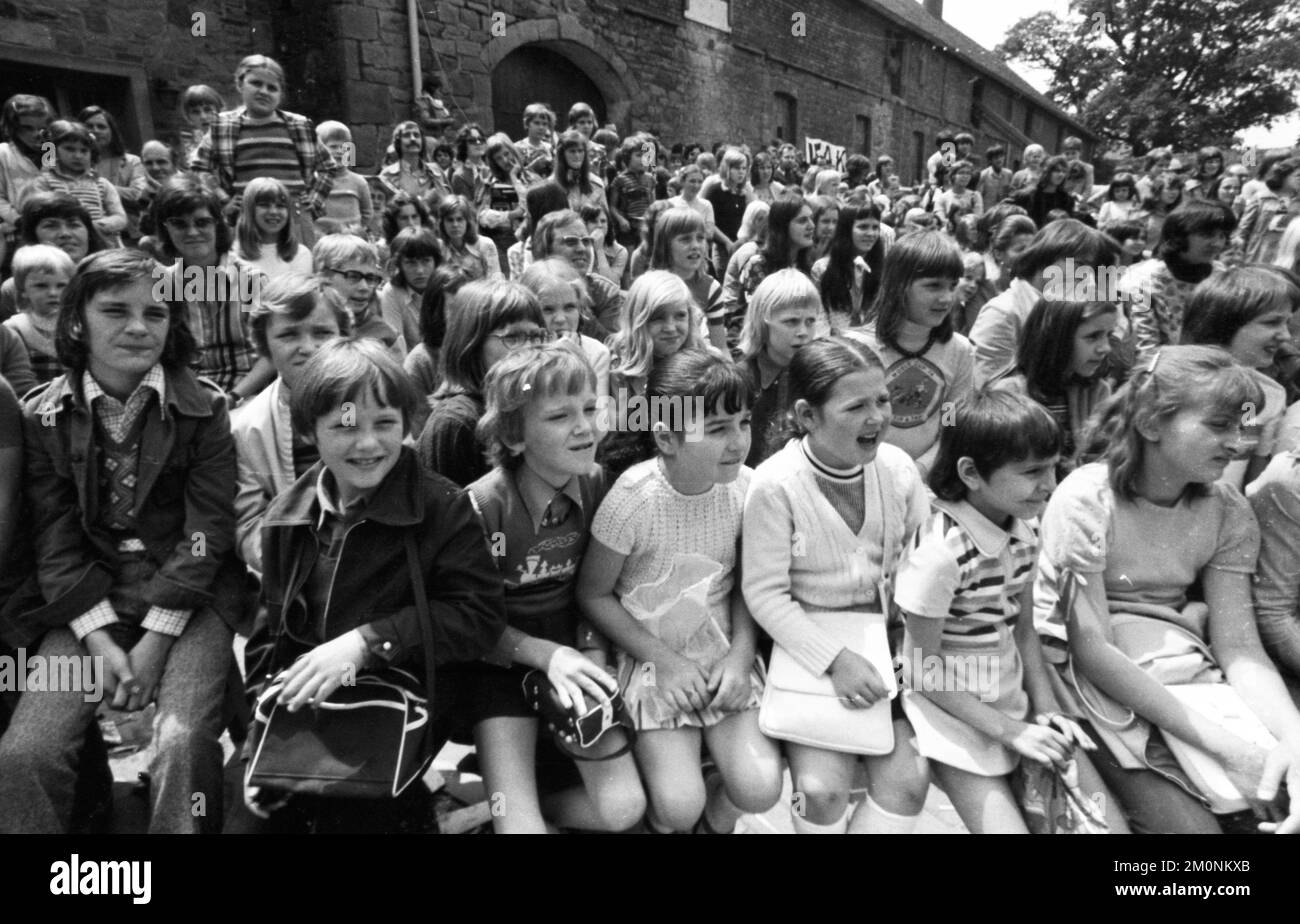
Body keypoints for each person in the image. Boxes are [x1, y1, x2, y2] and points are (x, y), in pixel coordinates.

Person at [0, 249, 247, 833]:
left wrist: (153, 643)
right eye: (116, 311)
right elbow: (56, 542)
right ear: (78, 321)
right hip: (90, 602)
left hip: (190, 600)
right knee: (24, 754)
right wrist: (104, 645)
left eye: (156, 314)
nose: (138, 327)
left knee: (181, 747)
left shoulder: (205, 409)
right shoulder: (45, 417)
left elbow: (205, 534)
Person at [238, 337, 506, 833]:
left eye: (385, 424)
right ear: (309, 432)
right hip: (311, 714)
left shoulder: (441, 508)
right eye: (344, 426)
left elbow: (479, 618)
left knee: (359, 818)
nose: (367, 444)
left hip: (400, 709)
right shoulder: (285, 520)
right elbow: (267, 641)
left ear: (406, 426)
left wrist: (366, 643)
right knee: (249, 820)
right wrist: (263, 731)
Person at [1034, 346, 1300, 834]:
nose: (1238, 443)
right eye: (1219, 425)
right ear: (1152, 424)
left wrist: (1292, 739)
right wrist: (1231, 748)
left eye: (1243, 426)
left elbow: (1239, 645)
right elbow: (1092, 650)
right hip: (1094, 688)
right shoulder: (1087, 500)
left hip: (1187, 677)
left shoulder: (1227, 510)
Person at [896, 389, 1126, 833]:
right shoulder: (941, 554)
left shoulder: (1025, 530)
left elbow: (1023, 632)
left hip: (1010, 699)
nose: (1050, 484)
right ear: (970, 473)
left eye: (1054, 467)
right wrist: (1010, 731)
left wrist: (1043, 707)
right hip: (952, 716)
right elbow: (920, 668)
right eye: (1032, 472)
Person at [579, 350, 782, 833]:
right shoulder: (633, 499)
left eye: (743, 421)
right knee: (676, 808)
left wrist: (740, 655)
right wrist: (662, 661)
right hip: (651, 656)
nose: (738, 441)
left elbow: (745, 582)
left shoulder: (747, 489)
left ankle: (716, 807)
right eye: (717, 428)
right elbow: (593, 595)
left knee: (761, 788)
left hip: (722, 652)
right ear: (667, 437)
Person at [743, 337, 932, 833]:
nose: (878, 418)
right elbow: (764, 593)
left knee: (910, 782)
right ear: (807, 416)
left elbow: (921, 560)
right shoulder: (775, 484)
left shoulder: (898, 470)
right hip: (811, 652)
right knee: (818, 793)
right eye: (856, 406)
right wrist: (835, 661)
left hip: (886, 654)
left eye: (883, 400)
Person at [465, 343, 646, 833]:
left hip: (576, 653)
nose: (585, 426)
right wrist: (542, 654)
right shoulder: (482, 508)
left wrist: (592, 650)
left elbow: (599, 587)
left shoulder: (596, 484)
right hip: (499, 665)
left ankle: (529, 804)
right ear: (513, 435)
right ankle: (506, 807)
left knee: (625, 810)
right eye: (560, 416)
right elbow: (467, 621)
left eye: (590, 408)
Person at [229, 273, 352, 575]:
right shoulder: (246, 427)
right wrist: (305, 566)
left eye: (322, 333)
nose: (307, 347)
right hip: (292, 569)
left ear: (344, 336)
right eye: (288, 335)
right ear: (265, 345)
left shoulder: (371, 405)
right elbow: (248, 524)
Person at [845, 232, 974, 479]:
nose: (946, 298)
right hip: (861, 476)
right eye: (933, 285)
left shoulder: (959, 351)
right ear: (899, 285)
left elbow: (950, 422)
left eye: (952, 285)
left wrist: (921, 470)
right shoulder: (856, 348)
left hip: (927, 479)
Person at [189, 55, 335, 247]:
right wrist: (224, 200)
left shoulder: (299, 126)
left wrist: (314, 200)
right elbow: (199, 168)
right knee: (250, 271)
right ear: (240, 84)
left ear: (280, 93)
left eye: (272, 88)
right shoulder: (222, 126)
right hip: (247, 215)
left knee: (298, 269)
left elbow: (328, 167)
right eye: (256, 83)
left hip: (294, 216)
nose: (264, 91)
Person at [151, 177, 276, 401]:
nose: (192, 232)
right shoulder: (164, 283)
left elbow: (271, 354)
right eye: (180, 224)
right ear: (166, 228)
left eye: (202, 222)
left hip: (246, 395)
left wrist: (232, 397)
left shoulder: (251, 280)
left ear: (217, 225)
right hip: (187, 397)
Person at [417, 279, 548, 487]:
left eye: (536, 336)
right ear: (472, 344)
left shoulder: (528, 403)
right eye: (513, 337)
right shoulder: (456, 423)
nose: (530, 348)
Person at [1181, 266, 1299, 488]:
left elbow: (1251, 472)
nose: (1284, 335)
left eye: (1286, 323)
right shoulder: (1174, 380)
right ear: (1226, 320)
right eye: (1272, 322)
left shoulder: (1269, 395)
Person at [970, 219, 1120, 386]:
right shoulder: (1004, 312)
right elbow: (984, 389)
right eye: (1079, 265)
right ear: (1046, 255)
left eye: (1092, 270)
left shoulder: (1078, 309)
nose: (1087, 277)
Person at [991, 298, 1116, 479]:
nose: (1105, 347)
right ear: (1056, 337)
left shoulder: (1097, 392)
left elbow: (1101, 458)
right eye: (1093, 336)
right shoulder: (1010, 393)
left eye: (1109, 336)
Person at [1123, 199, 1235, 365]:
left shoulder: (1222, 277)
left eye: (1222, 236)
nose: (1217, 243)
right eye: (1207, 235)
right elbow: (1146, 347)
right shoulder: (1142, 280)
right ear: (1179, 235)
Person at [738, 268, 820, 467]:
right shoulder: (738, 377)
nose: (803, 332)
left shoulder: (819, 378)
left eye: (810, 322)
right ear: (762, 322)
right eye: (791, 321)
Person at [729, 196, 815, 355]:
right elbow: (754, 321)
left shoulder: (807, 268)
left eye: (811, 219)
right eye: (802, 221)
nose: (811, 226)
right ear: (782, 226)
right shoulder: (758, 265)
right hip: (758, 348)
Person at [24, 120, 128, 248]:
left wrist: (95, 226)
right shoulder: (44, 182)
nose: (78, 156)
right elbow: (39, 218)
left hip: (100, 242)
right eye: (70, 149)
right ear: (54, 150)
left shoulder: (101, 183)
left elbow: (120, 217)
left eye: (84, 151)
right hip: (60, 243)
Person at [519, 258, 611, 401]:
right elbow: (522, 397)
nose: (561, 319)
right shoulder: (517, 352)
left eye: (569, 307)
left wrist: (576, 361)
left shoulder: (596, 352)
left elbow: (598, 415)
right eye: (548, 309)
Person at [313, 232, 405, 359]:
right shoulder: (305, 327)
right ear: (323, 277)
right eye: (353, 276)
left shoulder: (385, 336)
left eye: (370, 278)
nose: (364, 287)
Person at [650, 207, 726, 352]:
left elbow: (720, 345)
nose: (695, 246)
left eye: (700, 238)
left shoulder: (711, 287)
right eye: (685, 239)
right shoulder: (651, 287)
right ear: (665, 245)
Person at [404, 265, 467, 433]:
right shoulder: (419, 362)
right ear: (436, 312)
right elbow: (419, 431)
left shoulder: (487, 350)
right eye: (455, 309)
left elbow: (524, 389)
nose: (466, 317)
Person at [3, 244, 73, 385]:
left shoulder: (79, 325)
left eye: (61, 285)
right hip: (33, 401)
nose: (53, 293)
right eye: (41, 286)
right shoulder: (14, 328)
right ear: (23, 290)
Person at [77, 106, 149, 244]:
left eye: (101, 126)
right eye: (89, 126)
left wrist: (99, 186)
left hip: (129, 236)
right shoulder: (74, 163)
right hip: (89, 236)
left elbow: (138, 195)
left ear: (112, 131)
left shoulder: (132, 161)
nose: (95, 131)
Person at [814, 204, 886, 331]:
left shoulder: (883, 267)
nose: (871, 233)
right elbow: (819, 317)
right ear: (846, 230)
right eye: (863, 227)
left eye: (875, 227)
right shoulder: (823, 268)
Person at [0, 95, 54, 259]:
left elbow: (51, 180)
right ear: (13, 127)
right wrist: (18, 221)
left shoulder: (49, 149)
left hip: (52, 227)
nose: (36, 134)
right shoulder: (4, 152)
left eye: (41, 128)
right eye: (27, 128)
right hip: (19, 233)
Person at [232, 176, 314, 282]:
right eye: (264, 205)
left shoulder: (301, 254)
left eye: (280, 206)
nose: (274, 212)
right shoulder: (233, 255)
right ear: (249, 211)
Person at [377, 226, 442, 351]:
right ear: (399, 264)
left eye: (426, 261)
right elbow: (396, 346)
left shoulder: (447, 287)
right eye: (411, 263)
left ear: (436, 262)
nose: (420, 270)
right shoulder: (392, 292)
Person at [481, 132, 535, 276]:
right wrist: (511, 215)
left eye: (507, 154)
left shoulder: (530, 177)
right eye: (499, 158)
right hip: (501, 242)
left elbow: (529, 206)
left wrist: (514, 178)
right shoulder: (489, 182)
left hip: (527, 239)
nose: (505, 160)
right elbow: (482, 215)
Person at [1234, 157, 1299, 265]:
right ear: (1284, 176)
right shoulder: (1262, 198)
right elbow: (1243, 230)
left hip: (1290, 258)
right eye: (1298, 176)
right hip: (1259, 256)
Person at [315, 120, 373, 236]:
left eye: (344, 147)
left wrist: (357, 230)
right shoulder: (314, 180)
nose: (339, 151)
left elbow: (367, 213)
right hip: (321, 239)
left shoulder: (359, 182)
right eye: (333, 146)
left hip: (351, 239)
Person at [378, 120, 449, 202]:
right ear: (398, 142)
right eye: (406, 135)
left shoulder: (436, 171)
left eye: (416, 135)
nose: (413, 139)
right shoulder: (387, 175)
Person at [436, 194, 500, 282]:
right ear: (442, 223)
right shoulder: (439, 248)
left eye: (459, 219)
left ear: (467, 221)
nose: (455, 225)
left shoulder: (486, 245)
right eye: (450, 220)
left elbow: (496, 282)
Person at [607, 137, 656, 251]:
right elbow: (612, 206)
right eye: (638, 155)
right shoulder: (620, 179)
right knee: (628, 256)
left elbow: (653, 204)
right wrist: (621, 220)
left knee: (644, 255)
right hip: (627, 227)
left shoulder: (650, 179)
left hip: (645, 226)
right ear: (627, 157)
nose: (642, 159)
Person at [551, 129, 606, 217]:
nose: (577, 156)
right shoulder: (551, 185)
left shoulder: (596, 183)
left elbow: (605, 220)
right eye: (572, 151)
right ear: (562, 154)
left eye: (580, 151)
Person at [1011, 155, 1076, 228]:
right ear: (1047, 172)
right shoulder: (1028, 195)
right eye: (1057, 171)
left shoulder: (1066, 200)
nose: (1061, 174)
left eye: (1064, 171)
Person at [176, 84, 223, 168]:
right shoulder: (190, 142)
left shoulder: (228, 136)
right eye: (196, 112)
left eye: (208, 110)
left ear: (218, 110)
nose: (203, 117)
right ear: (188, 117)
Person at [516, 102, 557, 177]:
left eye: (544, 124)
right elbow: (515, 175)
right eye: (537, 123)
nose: (541, 127)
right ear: (527, 124)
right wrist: (532, 167)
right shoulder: (518, 148)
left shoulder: (549, 148)